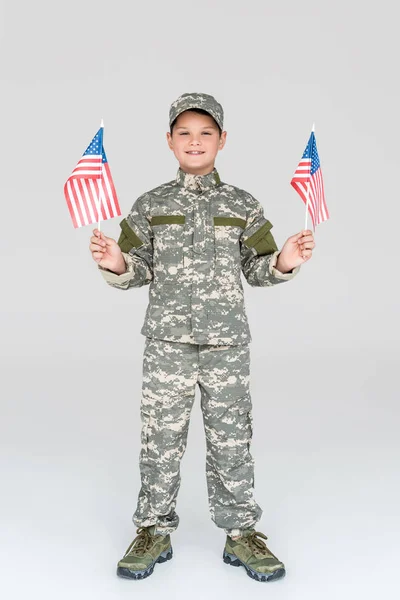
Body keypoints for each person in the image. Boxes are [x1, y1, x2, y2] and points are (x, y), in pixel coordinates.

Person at [89, 92, 315, 583]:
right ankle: (152, 529)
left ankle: (241, 535)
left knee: (232, 440)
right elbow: (138, 267)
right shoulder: (150, 204)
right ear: (169, 141)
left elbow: (258, 269)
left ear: (222, 140)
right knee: (160, 440)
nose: (195, 141)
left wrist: (285, 262)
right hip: (168, 344)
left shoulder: (242, 204)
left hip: (225, 346)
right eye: (185, 133)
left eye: (205, 133)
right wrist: (116, 264)